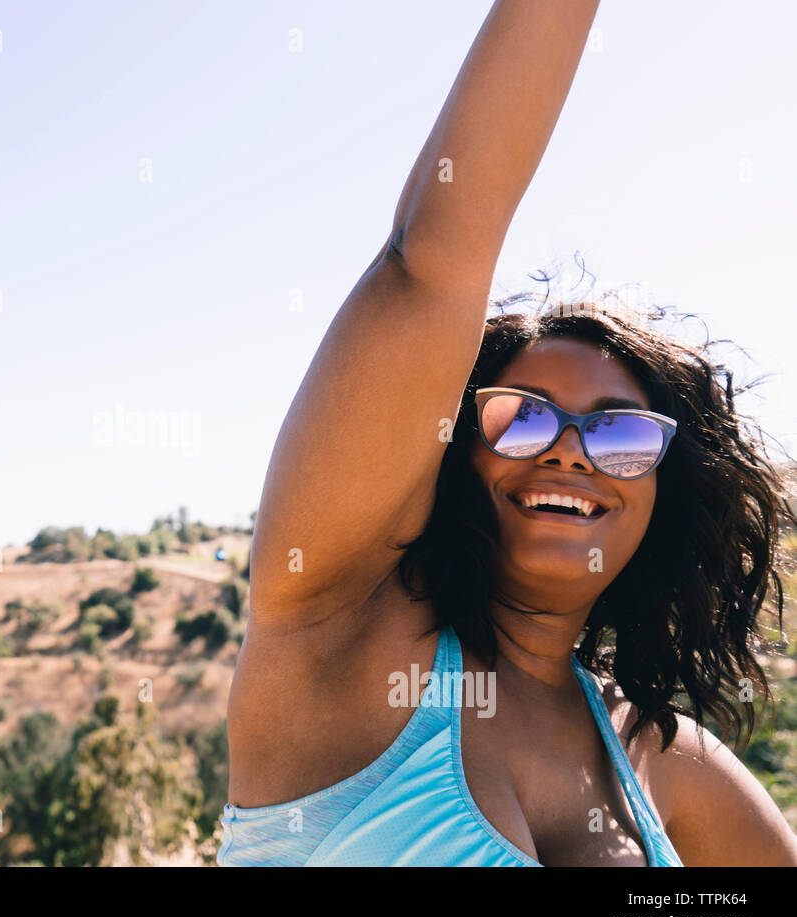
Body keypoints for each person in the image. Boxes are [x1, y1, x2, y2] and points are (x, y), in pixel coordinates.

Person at [219, 0, 797, 866]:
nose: (570, 447)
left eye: (621, 434)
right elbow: (431, 257)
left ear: (660, 497)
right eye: (522, 416)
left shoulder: (663, 760)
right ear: (453, 450)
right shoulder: (339, 634)